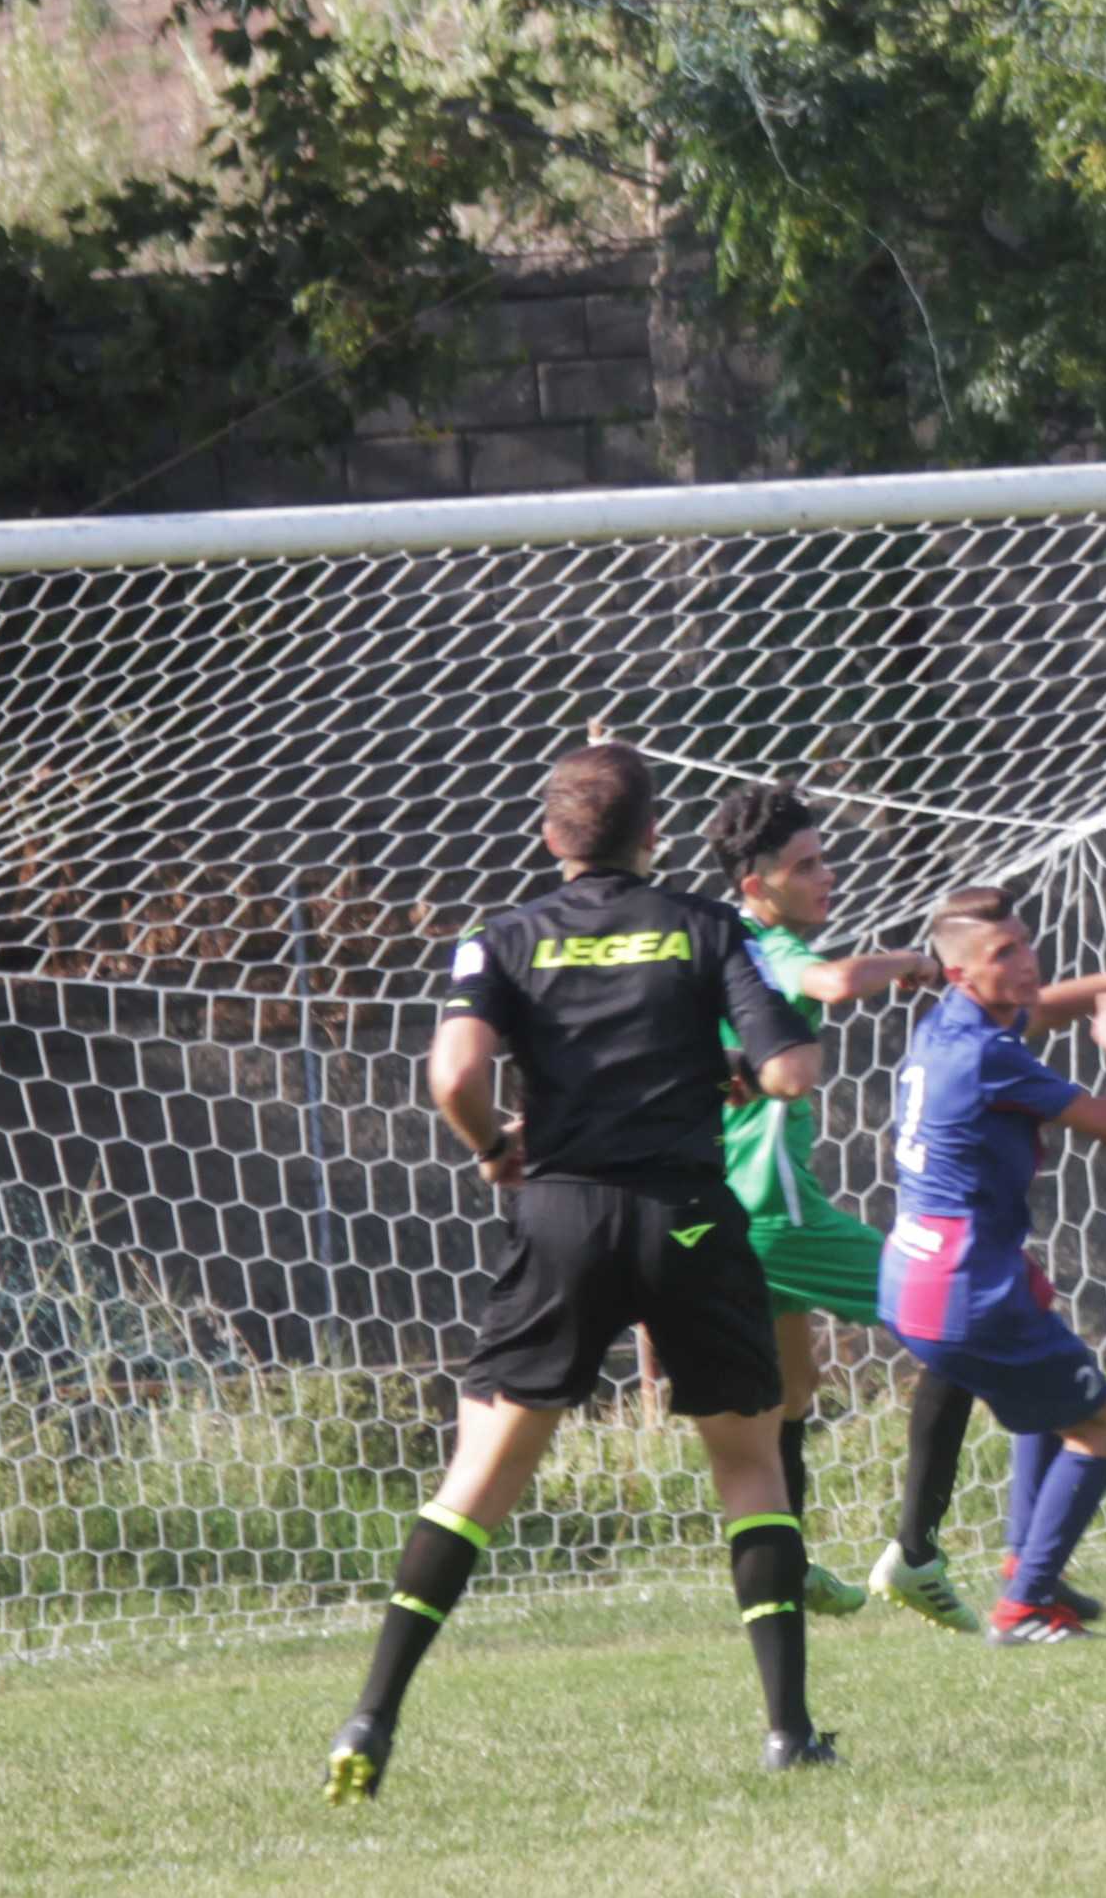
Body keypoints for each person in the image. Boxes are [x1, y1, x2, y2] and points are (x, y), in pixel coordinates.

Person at [327, 743, 836, 1803]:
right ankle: (788, 1731)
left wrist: (489, 1147)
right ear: (652, 836)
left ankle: (371, 1716)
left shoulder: (500, 937)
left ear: (552, 838)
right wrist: (740, 1072)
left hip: (557, 1215)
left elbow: (455, 1074)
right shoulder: (708, 924)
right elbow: (791, 1067)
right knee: (750, 1464)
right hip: (686, 1219)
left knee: (478, 1480)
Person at [702, 782, 1106, 1632]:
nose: (827, 875)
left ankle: (796, 1566)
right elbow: (832, 981)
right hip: (777, 1212)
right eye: (807, 865)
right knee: (957, 1329)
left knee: (790, 1400)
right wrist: (907, 961)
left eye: (824, 856)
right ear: (756, 885)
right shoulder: (768, 952)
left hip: (735, 1210)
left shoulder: (730, 952)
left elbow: (1017, 1001)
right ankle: (931, 1556)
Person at [881, 887, 1106, 1644]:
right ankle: (1024, 1605)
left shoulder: (946, 1026)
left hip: (917, 1269)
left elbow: (1039, 1008)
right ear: (959, 974)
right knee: (1102, 1423)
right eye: (1003, 954)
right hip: (964, 1285)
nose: (1026, 961)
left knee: (1045, 1390)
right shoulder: (986, 1056)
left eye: (1023, 942)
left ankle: (1028, 1561)